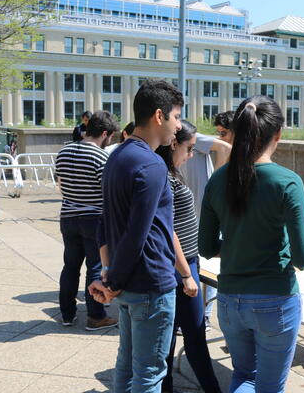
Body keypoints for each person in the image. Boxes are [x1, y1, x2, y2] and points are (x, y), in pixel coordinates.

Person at [198, 96, 304, 393]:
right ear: (278, 135)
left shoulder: (219, 179)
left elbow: (207, 247)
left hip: (229, 299)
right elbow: (302, 257)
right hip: (275, 299)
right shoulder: (287, 181)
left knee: (244, 377)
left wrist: (238, 246)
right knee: (269, 387)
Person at [88, 79, 183, 393]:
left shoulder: (118, 155)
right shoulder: (151, 164)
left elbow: (107, 223)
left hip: (129, 285)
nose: (178, 127)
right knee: (148, 376)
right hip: (150, 286)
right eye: (176, 117)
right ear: (159, 116)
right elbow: (137, 234)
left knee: (126, 368)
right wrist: (112, 281)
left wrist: (110, 275)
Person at [155, 120, 222, 393]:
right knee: (191, 334)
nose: (192, 154)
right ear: (174, 143)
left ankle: (169, 386)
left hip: (181, 264)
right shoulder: (165, 177)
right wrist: (185, 273)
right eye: (189, 148)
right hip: (180, 266)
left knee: (175, 334)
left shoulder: (167, 173)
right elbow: (167, 229)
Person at [55, 110, 119, 331]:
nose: (110, 141)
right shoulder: (101, 157)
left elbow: (60, 184)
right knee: (95, 266)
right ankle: (95, 316)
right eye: (110, 137)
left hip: (68, 215)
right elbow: (108, 192)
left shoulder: (64, 150)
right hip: (93, 218)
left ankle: (67, 314)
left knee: (70, 266)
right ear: (104, 133)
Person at [179, 111, 233, 330]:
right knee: (198, 267)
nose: (219, 137)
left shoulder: (195, 138)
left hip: (203, 212)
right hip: (196, 211)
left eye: (223, 132)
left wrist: (215, 183)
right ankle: (199, 315)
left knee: (206, 266)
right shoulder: (195, 140)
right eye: (218, 132)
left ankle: (205, 316)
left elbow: (224, 148)